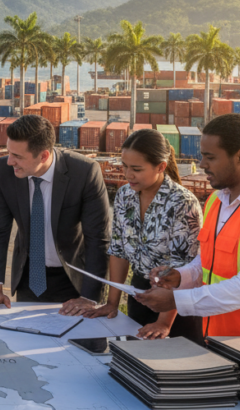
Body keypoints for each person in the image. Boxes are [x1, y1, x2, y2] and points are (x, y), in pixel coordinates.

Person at [135, 113, 240, 342]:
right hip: (220, 341)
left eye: (210, 157)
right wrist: (180, 276)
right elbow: (208, 262)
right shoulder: (216, 201)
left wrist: (177, 301)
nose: (202, 164)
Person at [0, 114, 111, 313]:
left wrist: (89, 297)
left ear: (44, 156)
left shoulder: (84, 172)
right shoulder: (3, 171)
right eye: (9, 153)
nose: (9, 162)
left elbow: (98, 238)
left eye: (18, 157)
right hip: (30, 277)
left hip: (75, 281)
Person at [83, 129, 203, 341]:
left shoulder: (182, 202)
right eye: (125, 166)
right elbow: (118, 250)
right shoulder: (124, 195)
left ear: (161, 167)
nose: (128, 175)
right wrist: (112, 304)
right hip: (139, 296)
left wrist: (164, 322)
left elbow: (183, 268)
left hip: (175, 305)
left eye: (136, 169)